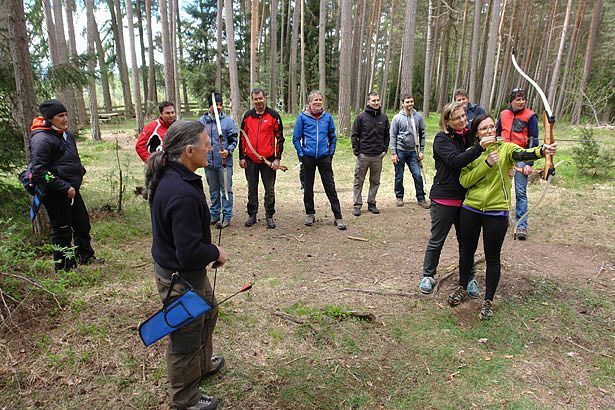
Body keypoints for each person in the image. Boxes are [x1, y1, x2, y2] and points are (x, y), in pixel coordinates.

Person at [145, 120, 227, 410]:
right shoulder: (180, 192)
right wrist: (215, 251)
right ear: (189, 151)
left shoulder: (178, 175)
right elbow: (191, 252)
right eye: (206, 144)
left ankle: (202, 366)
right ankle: (185, 399)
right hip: (180, 279)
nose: (211, 147)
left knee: (209, 313)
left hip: (188, 273)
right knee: (185, 339)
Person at [449, 113, 557, 319]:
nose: (489, 131)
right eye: (483, 128)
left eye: (491, 127)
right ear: (476, 133)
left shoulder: (507, 148)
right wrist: (487, 163)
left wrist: (543, 151)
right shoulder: (472, 153)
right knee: (466, 251)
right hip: (471, 209)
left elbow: (524, 154)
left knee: (492, 256)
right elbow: (465, 181)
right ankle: (462, 287)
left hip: (496, 212)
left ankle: (488, 300)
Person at [417, 101, 495, 296]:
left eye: (463, 116)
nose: (462, 120)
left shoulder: (467, 137)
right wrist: (478, 148)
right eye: (456, 118)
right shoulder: (441, 139)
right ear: (447, 121)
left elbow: (486, 136)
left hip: (467, 200)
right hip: (444, 199)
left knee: (466, 242)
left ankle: (468, 278)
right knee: (437, 240)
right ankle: (428, 275)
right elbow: (455, 161)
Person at [29, 99, 98, 272]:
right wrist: (64, 187)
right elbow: (39, 171)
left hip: (73, 190)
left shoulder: (66, 134)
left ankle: (85, 256)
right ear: (50, 118)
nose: (65, 119)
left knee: (82, 224)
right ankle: (65, 267)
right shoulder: (41, 139)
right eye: (60, 116)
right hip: (55, 193)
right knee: (62, 230)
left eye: (66, 115)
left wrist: (79, 171)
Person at [292, 91, 347, 230]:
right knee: (308, 187)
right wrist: (301, 154)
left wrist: (330, 154)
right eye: (315, 100)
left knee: (330, 187)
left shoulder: (327, 117)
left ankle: (338, 217)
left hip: (324, 157)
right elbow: (296, 138)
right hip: (308, 157)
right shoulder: (302, 117)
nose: (318, 102)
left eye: (320, 100)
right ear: (310, 102)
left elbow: (333, 137)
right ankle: (310, 214)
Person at [496, 88, 539, 240]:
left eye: (523, 99)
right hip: (504, 156)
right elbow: (497, 133)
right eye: (517, 99)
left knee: (520, 192)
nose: (521, 102)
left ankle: (521, 225)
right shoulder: (503, 114)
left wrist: (529, 163)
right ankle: (501, 218)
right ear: (511, 101)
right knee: (501, 188)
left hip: (521, 157)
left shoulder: (530, 116)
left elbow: (534, 140)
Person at [239, 88, 284, 229]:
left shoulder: (273, 116)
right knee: (252, 188)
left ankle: (269, 215)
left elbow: (280, 138)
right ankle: (252, 214)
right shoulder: (247, 116)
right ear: (252, 100)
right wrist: (242, 157)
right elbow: (242, 137)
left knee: (269, 189)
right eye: (255, 99)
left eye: (260, 98)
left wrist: (277, 158)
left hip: (268, 160)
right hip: (251, 160)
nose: (258, 101)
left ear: (265, 98)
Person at [199, 93, 238, 229]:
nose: (219, 107)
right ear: (210, 106)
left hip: (224, 163)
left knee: (226, 190)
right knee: (213, 190)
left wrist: (228, 150)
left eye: (221, 104)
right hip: (208, 163)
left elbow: (234, 139)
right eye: (216, 105)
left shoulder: (228, 121)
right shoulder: (202, 122)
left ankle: (226, 216)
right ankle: (214, 214)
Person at [351, 91, 389, 216]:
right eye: (373, 100)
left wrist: (385, 149)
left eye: (378, 100)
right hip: (364, 155)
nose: (376, 102)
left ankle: (371, 203)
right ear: (368, 102)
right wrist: (357, 151)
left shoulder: (384, 118)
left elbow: (387, 135)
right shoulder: (361, 117)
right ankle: (357, 205)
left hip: (378, 155)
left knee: (375, 181)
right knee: (359, 180)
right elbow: (354, 135)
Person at [389, 94, 429, 209]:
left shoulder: (418, 117)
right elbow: (393, 136)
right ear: (402, 104)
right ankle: (399, 196)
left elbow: (422, 134)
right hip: (400, 150)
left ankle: (421, 198)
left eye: (411, 101)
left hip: (413, 152)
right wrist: (393, 153)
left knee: (417, 175)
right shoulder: (397, 118)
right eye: (407, 102)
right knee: (399, 176)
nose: (410, 104)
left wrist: (421, 151)